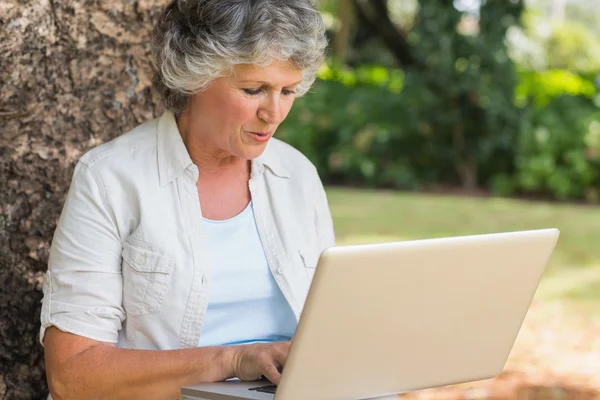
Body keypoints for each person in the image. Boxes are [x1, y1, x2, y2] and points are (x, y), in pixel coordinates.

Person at [40, 1, 334, 399]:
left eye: (288, 90)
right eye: (254, 89)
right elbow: (72, 375)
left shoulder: (297, 175)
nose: (275, 112)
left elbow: (331, 326)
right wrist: (232, 361)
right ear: (195, 76)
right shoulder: (110, 179)